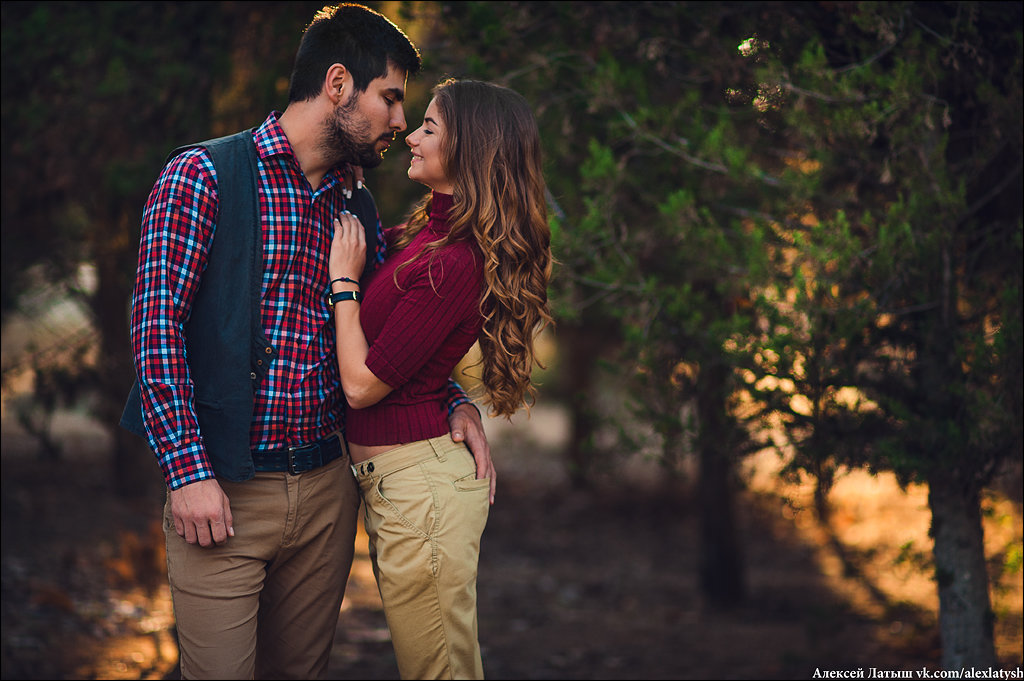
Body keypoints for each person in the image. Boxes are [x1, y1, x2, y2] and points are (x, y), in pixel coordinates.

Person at [119, 5, 491, 679]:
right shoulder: (201, 177)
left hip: (326, 492)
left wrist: (455, 398)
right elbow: (155, 335)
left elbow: (393, 334)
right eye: (391, 98)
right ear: (339, 84)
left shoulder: (358, 206)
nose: (400, 123)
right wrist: (187, 472)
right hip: (225, 493)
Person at [328, 78, 553, 680]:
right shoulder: (424, 236)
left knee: (440, 672)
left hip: (421, 492)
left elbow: (362, 385)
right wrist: (458, 400)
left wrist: (344, 283)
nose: (410, 134)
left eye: (429, 128)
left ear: (470, 153)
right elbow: (419, 357)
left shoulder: (453, 261)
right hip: (400, 484)